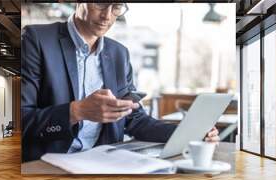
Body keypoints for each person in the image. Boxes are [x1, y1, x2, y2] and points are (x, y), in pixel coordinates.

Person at [21, 3, 219, 162]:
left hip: (104, 162)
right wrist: (77, 111)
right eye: (100, 4)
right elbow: (22, 119)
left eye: (116, 7)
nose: (107, 16)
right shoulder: (37, 39)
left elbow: (136, 120)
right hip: (49, 162)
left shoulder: (119, 53)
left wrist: (190, 134)